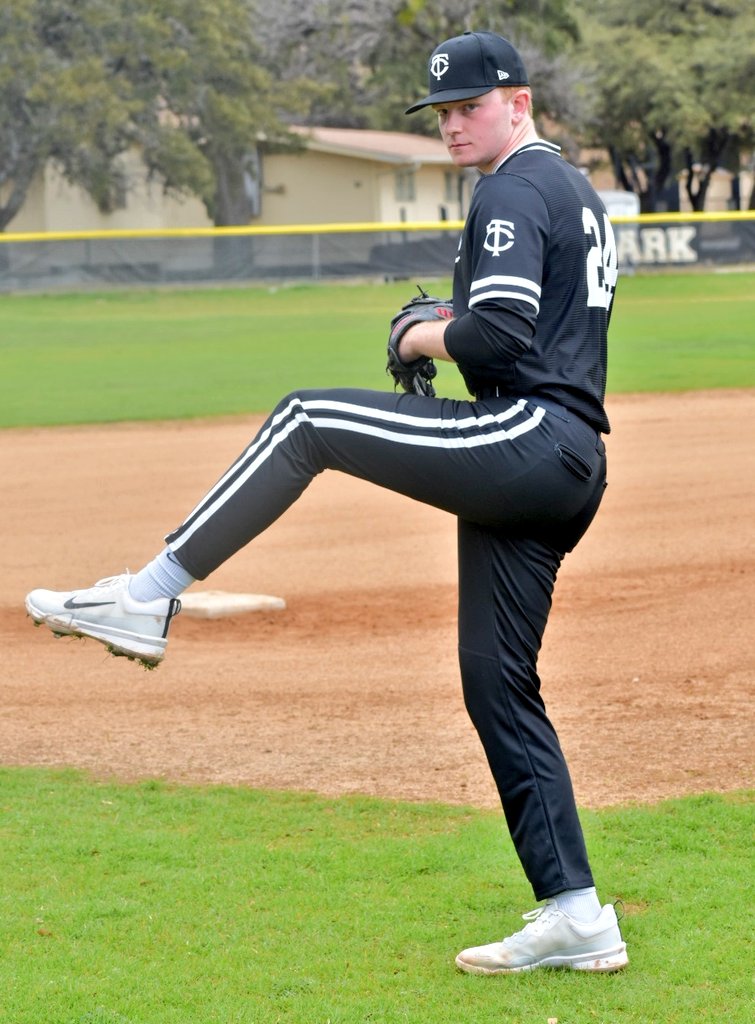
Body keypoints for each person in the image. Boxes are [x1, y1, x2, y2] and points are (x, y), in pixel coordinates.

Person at [25, 30, 627, 975]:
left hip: (531, 437)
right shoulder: (572, 188)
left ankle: (146, 596)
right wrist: (439, 329)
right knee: (494, 683)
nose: (453, 126)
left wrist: (421, 332)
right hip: (560, 459)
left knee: (307, 419)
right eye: (442, 113)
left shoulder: (513, 185)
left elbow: (501, 335)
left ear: (517, 100)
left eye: (470, 107)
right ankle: (577, 911)